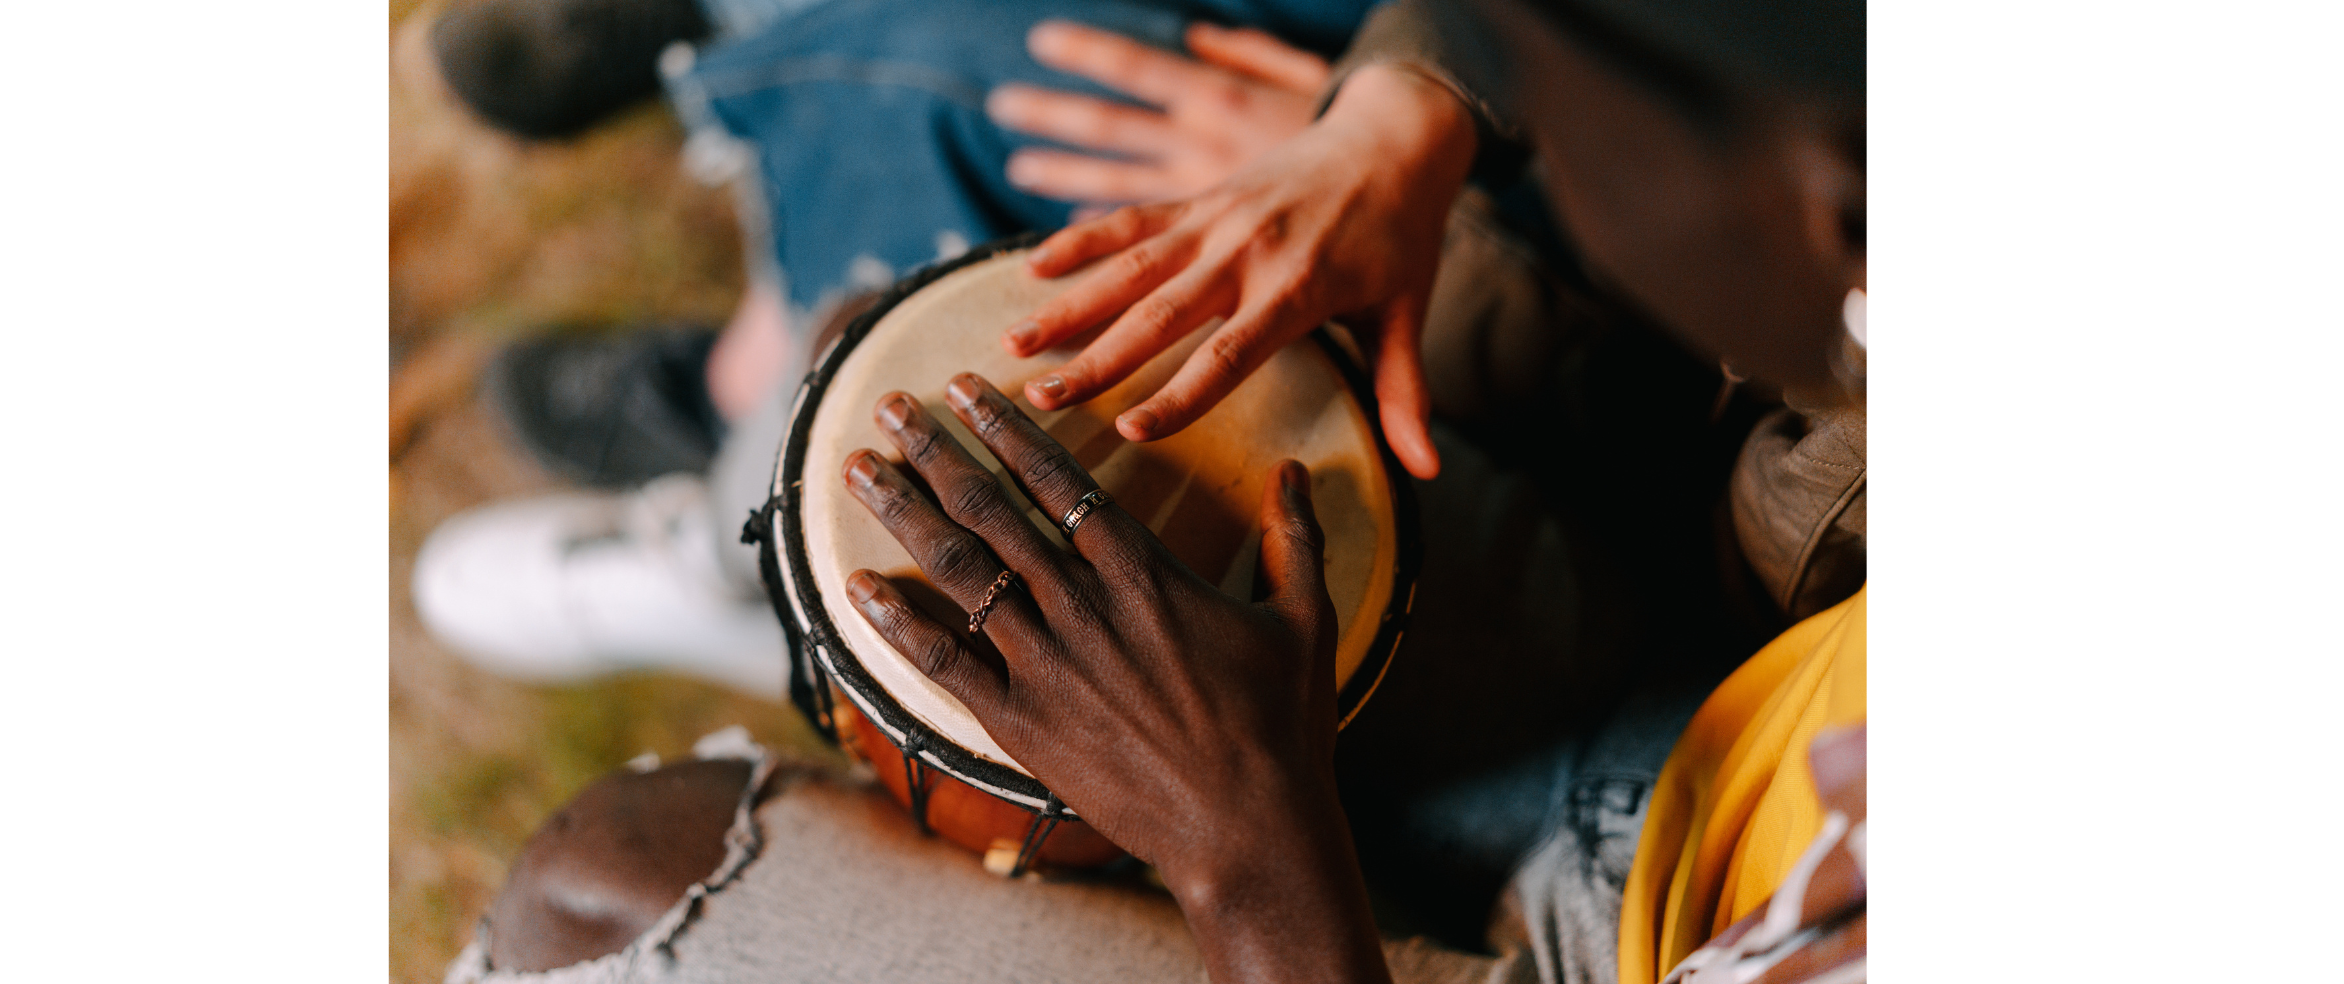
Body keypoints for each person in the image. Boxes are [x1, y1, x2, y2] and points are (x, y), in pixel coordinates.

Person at [443, 0, 1867, 978]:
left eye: (1576, 111)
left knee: (607, 882)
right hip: (1742, 579)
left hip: (1631, 904)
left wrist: (1243, 847)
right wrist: (1402, 123)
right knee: (965, 141)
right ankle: (745, 451)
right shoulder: (1819, 266)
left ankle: (739, 471)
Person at [413, 0, 1590, 700]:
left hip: (1555, 255)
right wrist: (1395, 104)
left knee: (955, 78)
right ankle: (762, 306)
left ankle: (745, 439)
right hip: (1490, 96)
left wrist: (1415, 138)